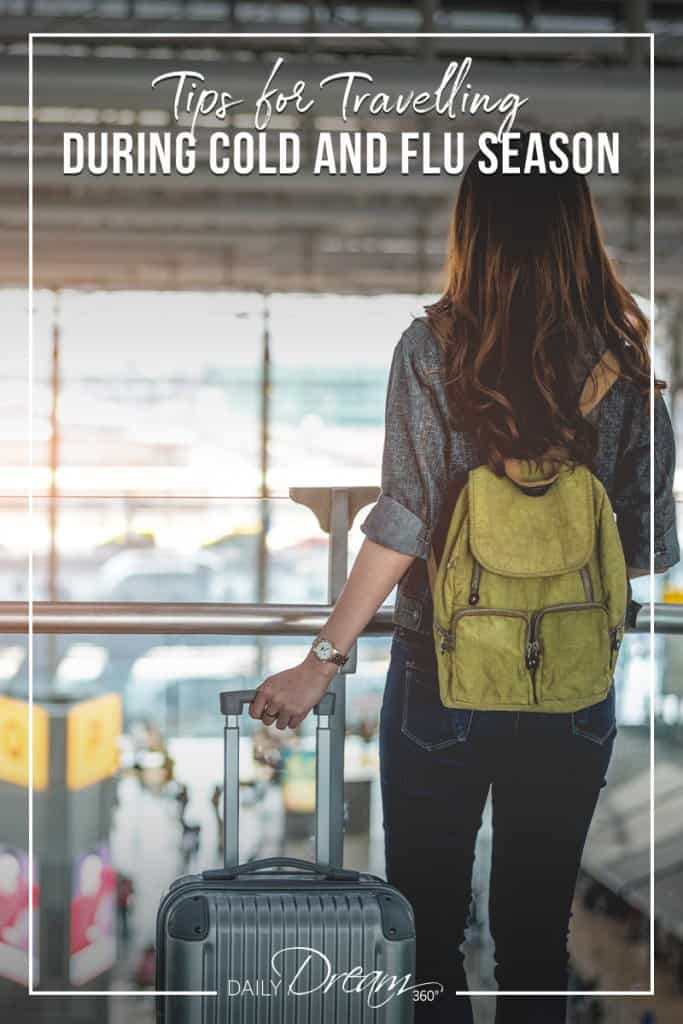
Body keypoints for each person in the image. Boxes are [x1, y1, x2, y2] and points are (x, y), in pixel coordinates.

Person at [249, 132, 679, 1023]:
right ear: (576, 225)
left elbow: (401, 521)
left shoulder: (434, 348)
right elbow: (646, 548)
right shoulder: (626, 362)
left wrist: (319, 660)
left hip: (440, 675)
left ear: (472, 227)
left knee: (429, 930)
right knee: (532, 936)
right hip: (569, 683)